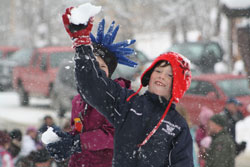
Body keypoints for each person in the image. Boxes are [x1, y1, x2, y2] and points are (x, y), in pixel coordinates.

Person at [46, 5, 194, 167]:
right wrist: (82, 45)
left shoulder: (178, 126)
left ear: (177, 85)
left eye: (170, 75)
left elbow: (183, 162)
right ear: (149, 75)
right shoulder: (128, 103)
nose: (161, 76)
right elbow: (90, 84)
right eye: (158, 70)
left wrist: (78, 142)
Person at [46, 18, 135, 167]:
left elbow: (116, 135)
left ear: (110, 72)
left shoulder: (120, 97)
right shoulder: (78, 100)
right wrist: (67, 140)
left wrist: (78, 142)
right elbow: (79, 131)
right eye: (92, 65)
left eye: (101, 66)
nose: (96, 72)